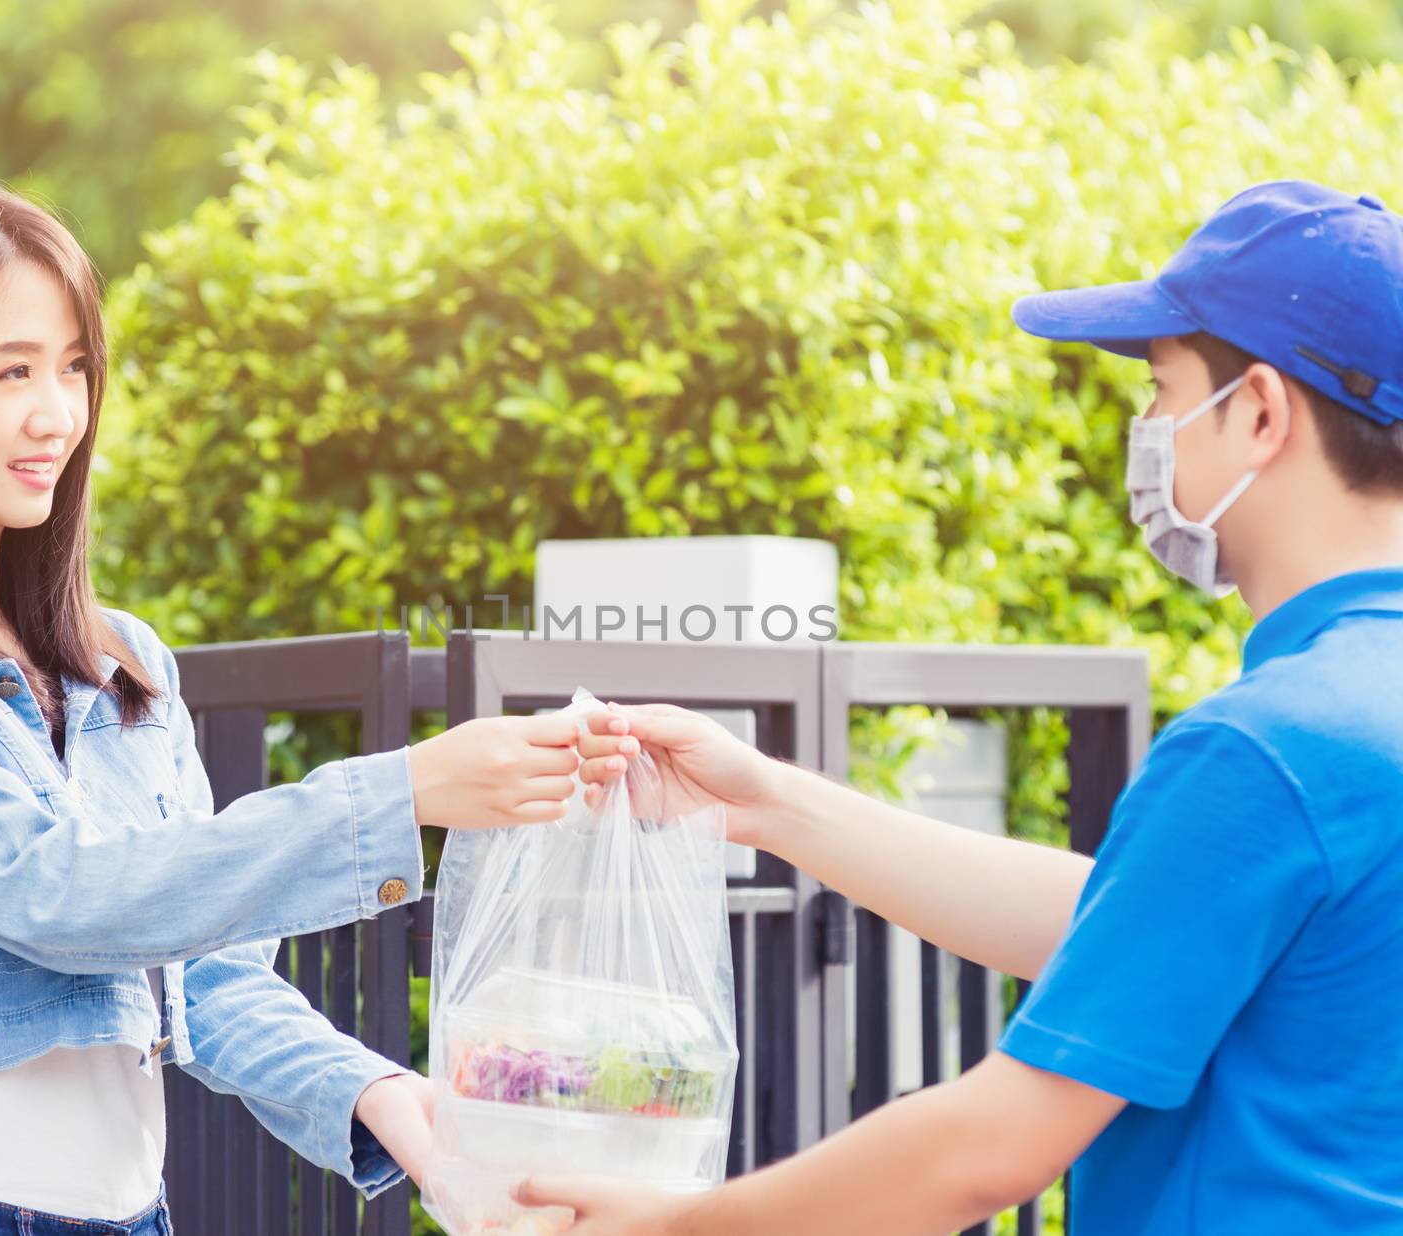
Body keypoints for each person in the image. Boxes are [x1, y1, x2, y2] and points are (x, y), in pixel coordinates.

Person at [534, 180, 1403, 1233]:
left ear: (1260, 412)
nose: (1148, 431)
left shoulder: (1268, 749)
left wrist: (669, 1227)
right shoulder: (1344, 727)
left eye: (1162, 391)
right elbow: (1131, 921)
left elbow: (989, 1151)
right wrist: (761, 804)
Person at [0, 176, 583, 1233]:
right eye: (11, 372)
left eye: (75, 368)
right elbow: (53, 898)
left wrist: (384, 1099)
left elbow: (197, 973)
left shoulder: (117, 659)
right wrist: (406, 793)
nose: (58, 415)